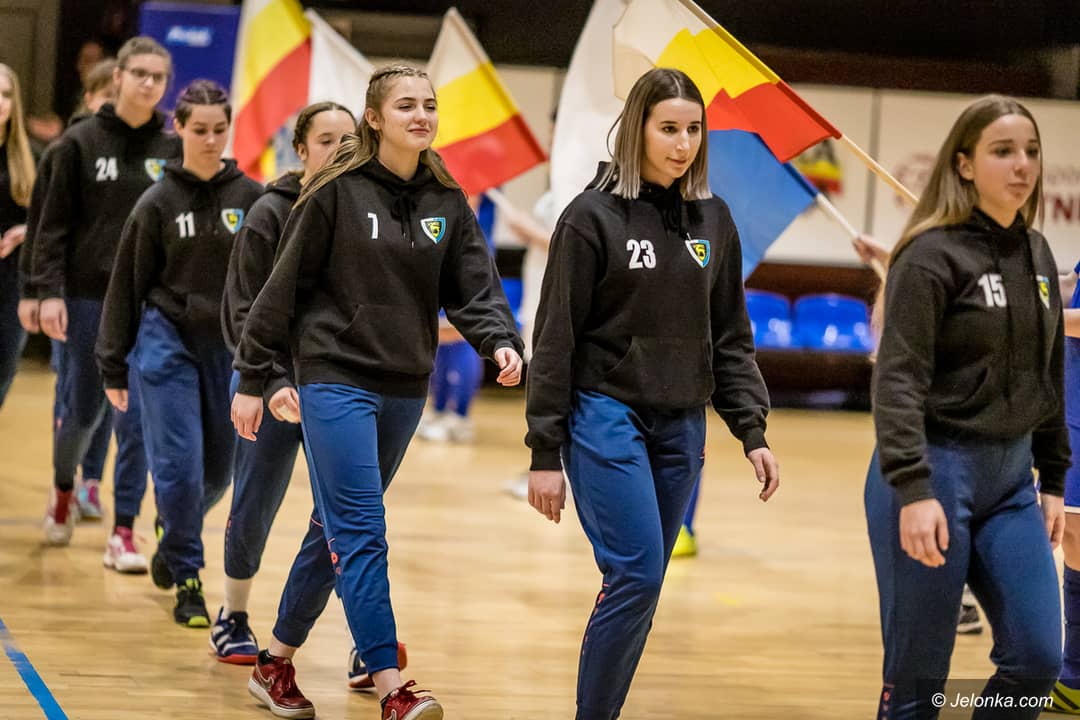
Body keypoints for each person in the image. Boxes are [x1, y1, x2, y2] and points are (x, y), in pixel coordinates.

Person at [231, 64, 523, 720]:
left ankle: (273, 662)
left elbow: (473, 287)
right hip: (334, 377)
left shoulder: (446, 197)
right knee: (362, 529)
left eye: (429, 105)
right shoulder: (335, 191)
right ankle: (393, 688)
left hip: (404, 385)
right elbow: (281, 290)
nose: (421, 116)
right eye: (406, 106)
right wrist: (255, 378)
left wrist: (499, 341)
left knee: (332, 527)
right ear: (374, 118)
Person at [525, 67, 780, 720]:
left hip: (682, 425)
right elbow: (554, 337)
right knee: (636, 574)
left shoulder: (714, 220)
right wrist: (544, 452)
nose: (684, 143)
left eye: (694, 129)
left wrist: (751, 430)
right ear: (637, 128)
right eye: (669, 128)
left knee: (644, 583)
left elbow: (730, 336)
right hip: (604, 412)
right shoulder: (590, 217)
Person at [866, 94, 1066, 718]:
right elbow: (897, 382)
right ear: (964, 164)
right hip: (933, 471)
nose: (1022, 165)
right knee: (920, 681)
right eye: (1003, 151)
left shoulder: (1037, 252)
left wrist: (1055, 477)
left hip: (1011, 483)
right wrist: (913, 489)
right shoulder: (929, 255)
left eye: (1031, 151)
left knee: (1037, 659)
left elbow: (1047, 372)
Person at [96, 79, 263, 626]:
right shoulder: (157, 202)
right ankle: (189, 578)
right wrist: (113, 363)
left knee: (218, 472)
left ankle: (173, 529)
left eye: (220, 130)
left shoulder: (252, 199)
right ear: (180, 129)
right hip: (165, 339)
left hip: (229, 348)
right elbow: (126, 285)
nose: (211, 140)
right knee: (179, 468)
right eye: (200, 130)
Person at [212, 101, 356, 663]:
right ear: (300, 149)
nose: (339, 151)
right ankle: (233, 614)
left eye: (348, 141)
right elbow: (242, 311)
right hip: (269, 383)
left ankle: (363, 639)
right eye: (326, 140)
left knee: (346, 514)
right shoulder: (269, 214)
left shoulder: (362, 212)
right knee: (255, 501)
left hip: (335, 386)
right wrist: (268, 382)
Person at [31, 37, 179, 565]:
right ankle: (64, 487)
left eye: (158, 77)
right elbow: (50, 226)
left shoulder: (174, 149)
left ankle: (123, 530)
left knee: (135, 419)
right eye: (139, 74)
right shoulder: (79, 143)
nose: (148, 84)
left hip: (152, 304)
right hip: (89, 296)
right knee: (82, 411)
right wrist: (46, 292)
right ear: (117, 78)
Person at [18, 58, 120, 521]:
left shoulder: (134, 156)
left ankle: (91, 481)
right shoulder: (71, 149)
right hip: (74, 295)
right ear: (90, 98)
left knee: (106, 396)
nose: (114, 104)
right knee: (74, 392)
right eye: (106, 96)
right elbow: (48, 225)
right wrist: (43, 289)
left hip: (114, 299)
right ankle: (67, 477)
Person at [0, 64, 35, 407]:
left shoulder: (31, 156)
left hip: (13, 280)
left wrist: (26, 231)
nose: (0, 102)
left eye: (7, 94)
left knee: (5, 366)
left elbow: (50, 219)